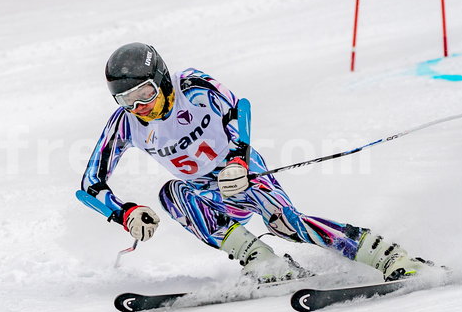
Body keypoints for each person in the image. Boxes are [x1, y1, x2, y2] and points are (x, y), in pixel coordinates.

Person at [79, 42, 431, 283]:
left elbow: (238, 109)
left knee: (288, 226)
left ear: (161, 81)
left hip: (244, 176)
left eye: (144, 94)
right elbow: (90, 184)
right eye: (126, 100)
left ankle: (389, 257)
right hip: (208, 197)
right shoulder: (126, 123)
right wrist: (123, 212)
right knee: (172, 194)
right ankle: (262, 261)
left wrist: (237, 160)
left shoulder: (193, 87)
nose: (140, 107)